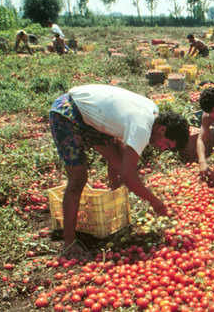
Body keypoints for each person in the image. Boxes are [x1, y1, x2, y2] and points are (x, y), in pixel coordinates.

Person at [49, 84, 189, 258]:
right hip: (67, 112)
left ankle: (116, 215)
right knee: (78, 178)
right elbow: (127, 175)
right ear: (162, 129)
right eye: (167, 144)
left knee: (117, 161)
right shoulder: (142, 128)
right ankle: (69, 243)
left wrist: (121, 180)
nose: (162, 148)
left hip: (92, 118)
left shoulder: (153, 112)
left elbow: (121, 160)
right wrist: (154, 201)